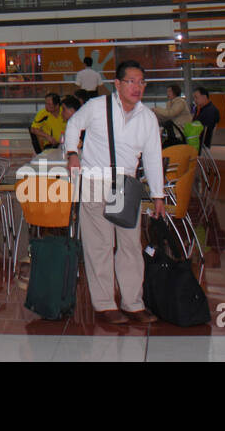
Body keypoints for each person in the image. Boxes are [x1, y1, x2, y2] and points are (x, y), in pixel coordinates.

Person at [64, 60, 164, 326]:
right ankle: (105, 304)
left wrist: (158, 195)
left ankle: (133, 303)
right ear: (117, 84)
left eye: (141, 82)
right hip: (95, 181)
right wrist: (72, 153)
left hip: (125, 186)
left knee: (130, 245)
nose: (137, 87)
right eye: (131, 81)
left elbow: (153, 157)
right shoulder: (97, 107)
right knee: (100, 246)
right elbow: (73, 125)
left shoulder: (147, 117)